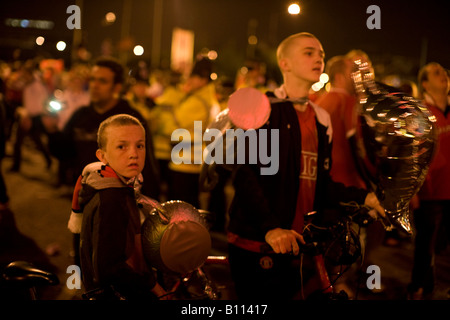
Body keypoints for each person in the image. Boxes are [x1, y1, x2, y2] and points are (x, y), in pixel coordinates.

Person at [225, 32, 385, 300]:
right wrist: (270, 228)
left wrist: (364, 197)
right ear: (285, 64)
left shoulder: (321, 117)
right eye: (309, 53)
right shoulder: (261, 106)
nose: (318, 58)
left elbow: (321, 183)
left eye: (321, 54)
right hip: (258, 243)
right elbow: (244, 174)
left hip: (299, 244)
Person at [72, 114, 167, 300]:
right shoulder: (112, 198)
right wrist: (153, 286)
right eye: (121, 146)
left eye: (140, 145)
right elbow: (109, 268)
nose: (134, 153)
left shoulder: (117, 185)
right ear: (102, 156)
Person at [45, 56, 160, 199]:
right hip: (85, 199)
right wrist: (52, 131)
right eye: (92, 79)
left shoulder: (131, 118)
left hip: (122, 200)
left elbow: (147, 166)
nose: (95, 85)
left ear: (117, 87)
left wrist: (151, 207)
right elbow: (64, 153)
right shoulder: (81, 116)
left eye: (102, 81)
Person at [408, 62, 450, 299]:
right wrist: (413, 190)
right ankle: (418, 288)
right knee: (426, 247)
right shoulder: (420, 112)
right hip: (430, 192)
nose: (444, 75)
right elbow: (412, 153)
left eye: (444, 72)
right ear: (425, 83)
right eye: (437, 73)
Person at [167, 57, 219, 209]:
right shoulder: (206, 98)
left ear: (203, 79)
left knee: (182, 207)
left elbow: (174, 122)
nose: (189, 80)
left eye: (193, 76)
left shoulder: (198, 101)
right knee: (189, 205)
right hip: (193, 159)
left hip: (186, 160)